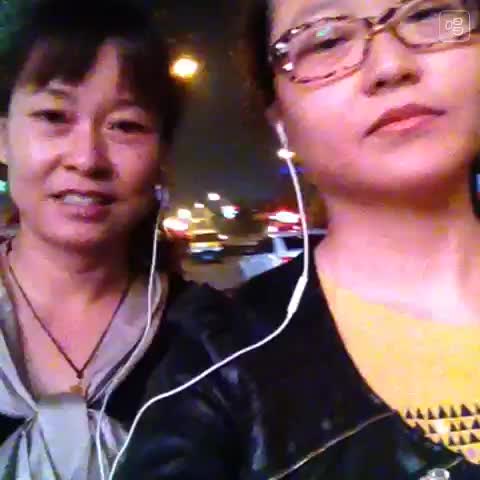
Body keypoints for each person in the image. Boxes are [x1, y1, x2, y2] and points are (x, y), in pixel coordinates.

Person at [118, 0, 480, 478]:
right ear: (280, 122)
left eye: (425, 15)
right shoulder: (217, 369)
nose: (391, 65)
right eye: (327, 41)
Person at [0, 0, 236, 478]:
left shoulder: (215, 342)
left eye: (126, 125)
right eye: (53, 116)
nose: (87, 158)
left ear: (161, 157)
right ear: (3, 138)